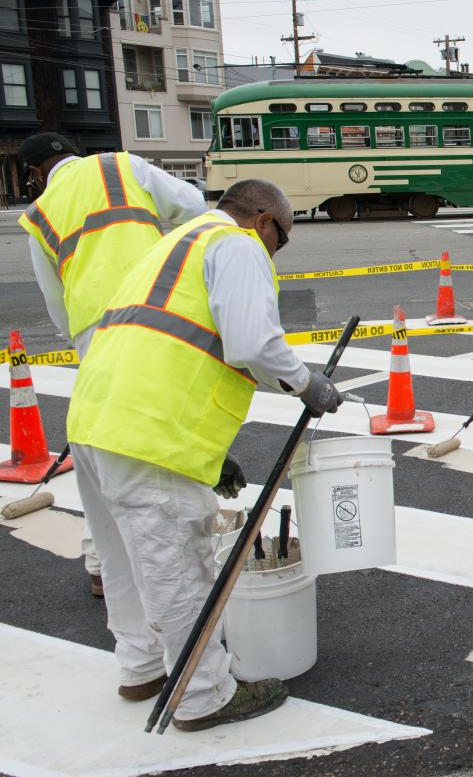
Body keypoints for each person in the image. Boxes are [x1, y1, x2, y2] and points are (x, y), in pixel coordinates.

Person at [64, 179, 344, 731]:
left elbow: (168, 342)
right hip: (150, 432)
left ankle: (141, 667)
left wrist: (210, 457)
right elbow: (252, 343)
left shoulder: (175, 242)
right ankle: (203, 695)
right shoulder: (238, 244)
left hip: (96, 419)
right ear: (264, 219)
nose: (275, 253)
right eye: (281, 240)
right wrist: (307, 384)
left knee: (122, 558)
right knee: (176, 563)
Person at [16, 132, 207, 598]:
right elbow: (195, 206)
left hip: (93, 335)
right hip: (156, 316)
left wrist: (81, 335)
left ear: (35, 173)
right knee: (159, 433)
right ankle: (181, 556)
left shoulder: (39, 213)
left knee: (100, 442)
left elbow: (55, 301)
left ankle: (101, 562)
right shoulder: (122, 166)